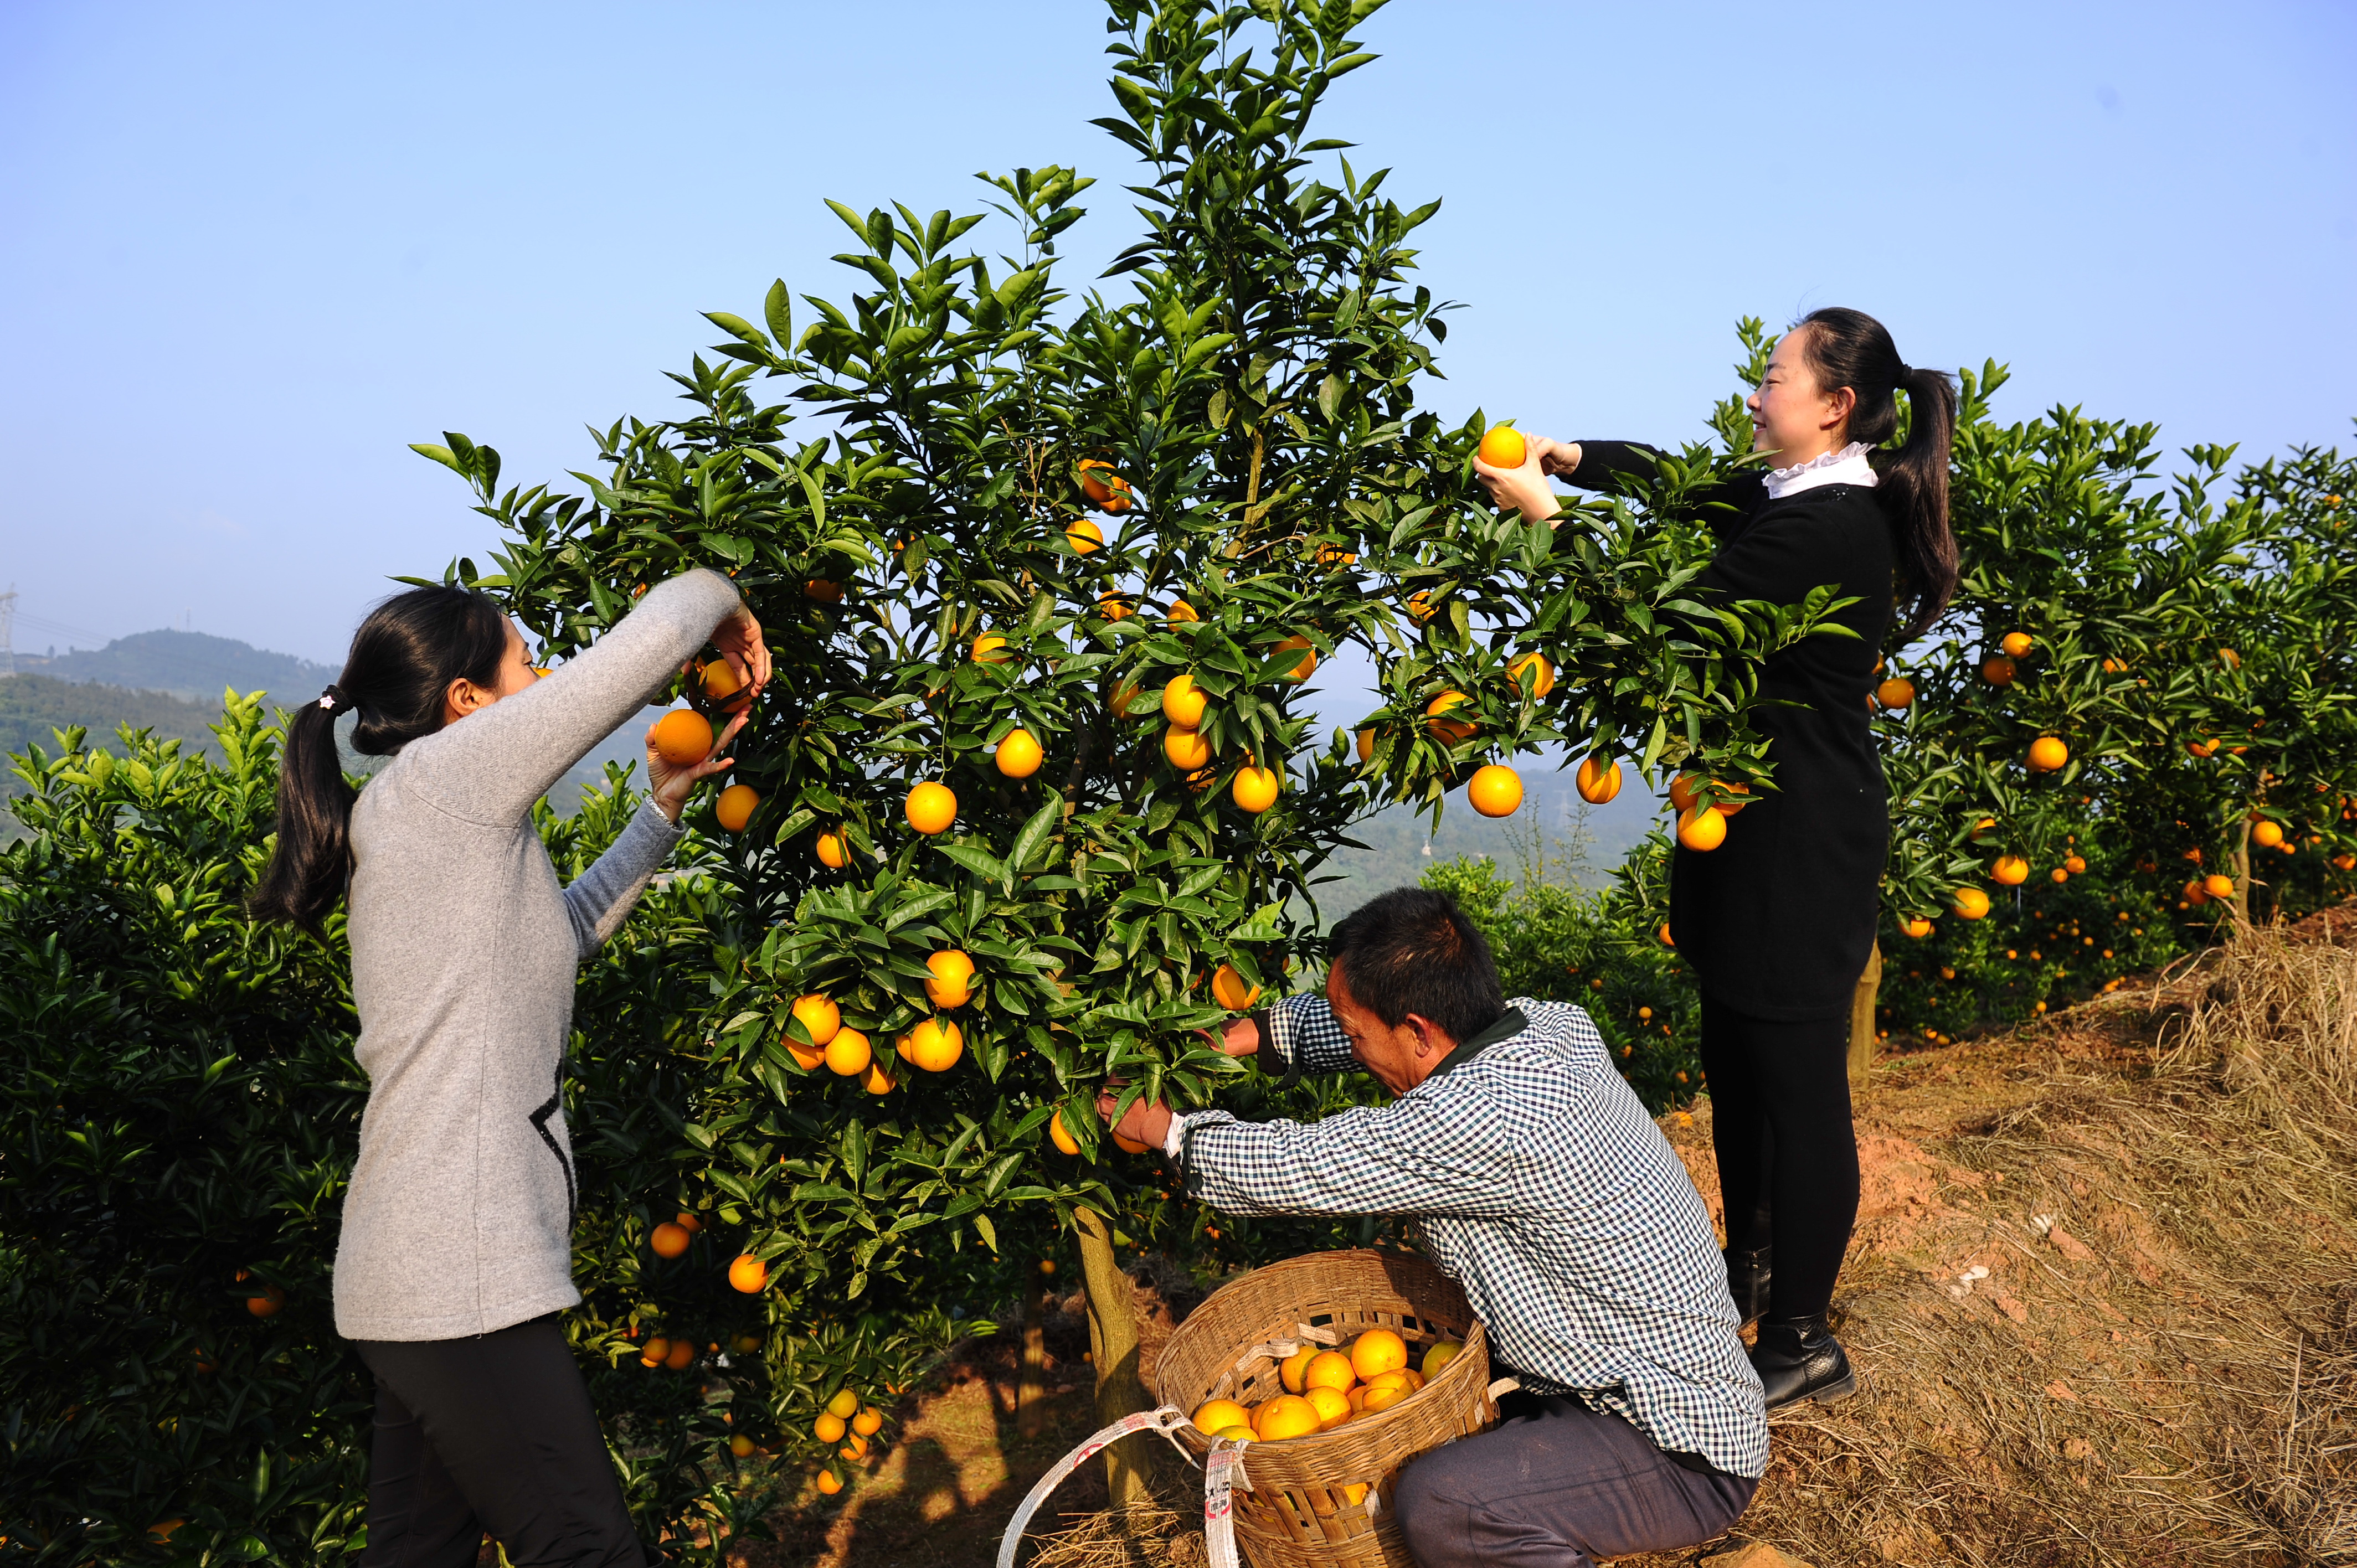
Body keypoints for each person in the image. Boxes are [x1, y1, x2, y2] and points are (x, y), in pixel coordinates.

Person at [1469, 307, 1959, 1408]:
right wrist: (1575, 459)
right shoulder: (1792, 494)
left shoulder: (1834, 525)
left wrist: (1545, 522)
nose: (1753, 393)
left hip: (1799, 845)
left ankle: (1799, 1341)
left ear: (1832, 404)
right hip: (1741, 825)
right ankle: (1747, 1279)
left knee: (1797, 1089)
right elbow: (1678, 487)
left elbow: (1658, 620)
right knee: (1737, 1073)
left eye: (1772, 376)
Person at [251, 569, 767, 1568]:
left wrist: (657, 814)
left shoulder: (430, 819)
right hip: (460, 1276)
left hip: (422, 1279)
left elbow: (553, 942)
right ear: (466, 702)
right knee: (588, 1548)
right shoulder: (448, 783)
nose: (541, 678)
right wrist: (724, 599)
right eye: (526, 660)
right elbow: (639, 653)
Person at [1100, 888, 1765, 1568]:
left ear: (1418, 1030)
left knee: (1441, 1504)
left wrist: (1167, 1130)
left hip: (1672, 1446)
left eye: (1356, 1033)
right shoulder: (1543, 1026)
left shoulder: (1483, 1119)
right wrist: (1256, 1035)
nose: (1353, 1045)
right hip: (1605, 1382)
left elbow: (1300, 1165)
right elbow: (1373, 1023)